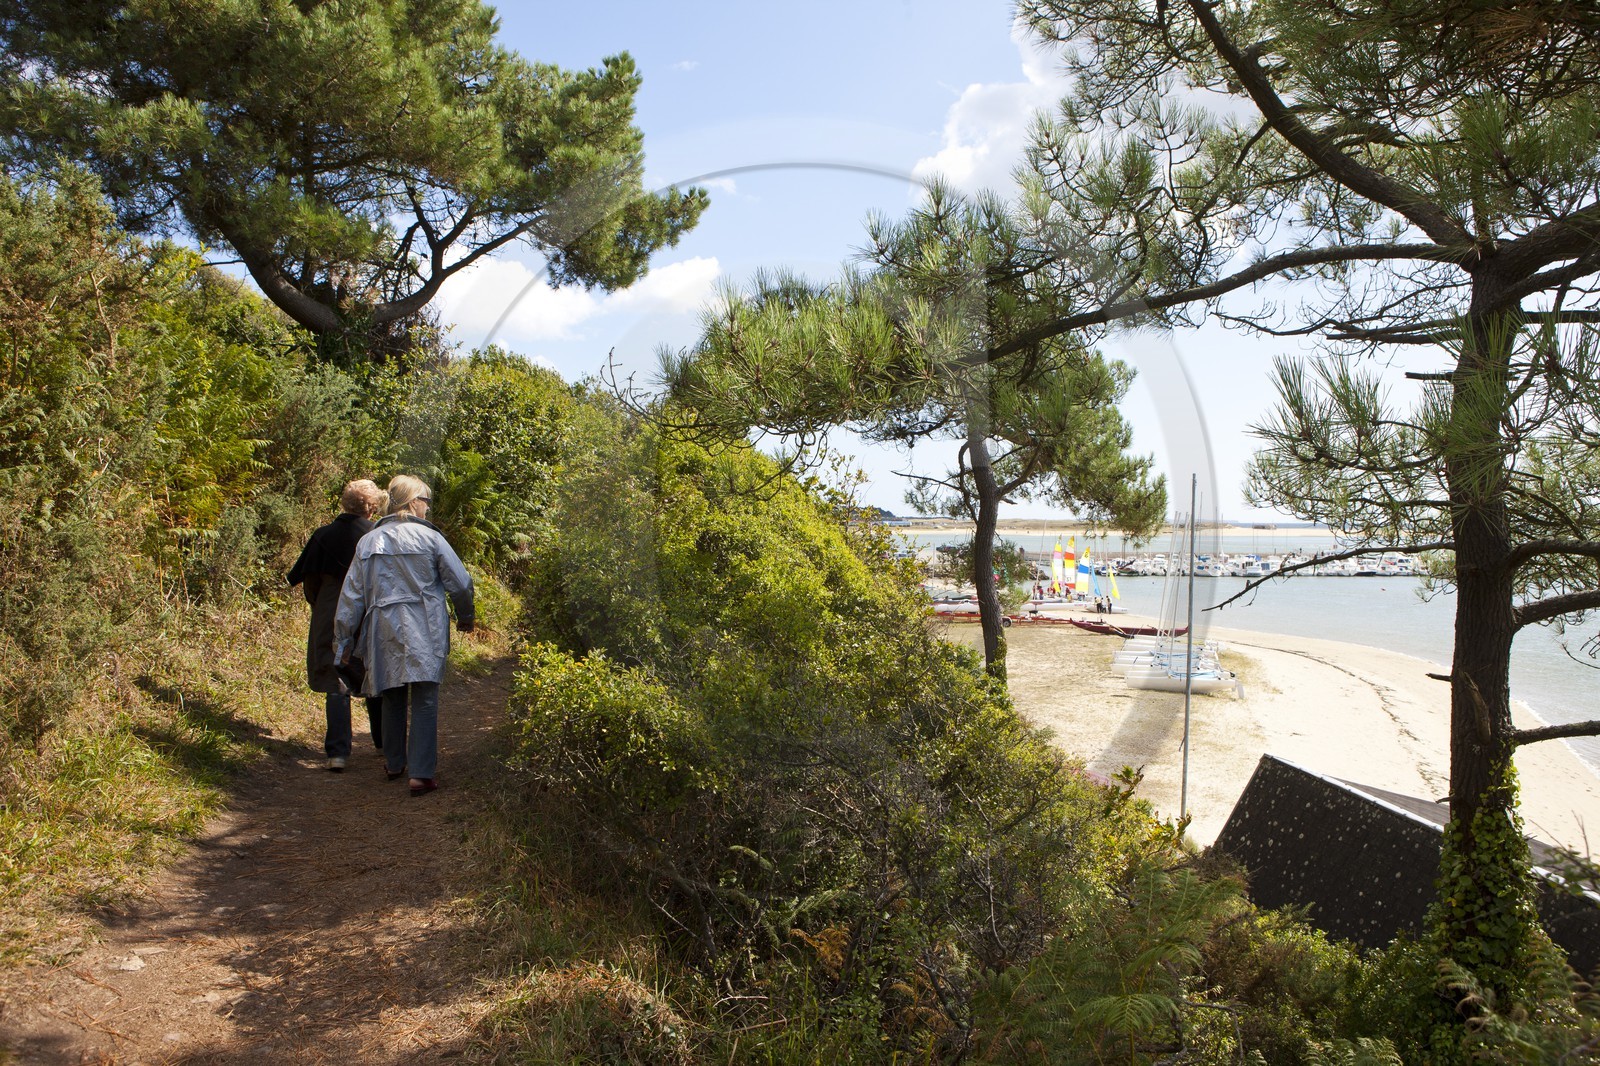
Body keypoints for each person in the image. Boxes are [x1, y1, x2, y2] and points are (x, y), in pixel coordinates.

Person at [334, 475, 474, 797]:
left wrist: (342, 641)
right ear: (413, 502)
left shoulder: (368, 541)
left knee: (391, 692)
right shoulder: (431, 539)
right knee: (424, 697)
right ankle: (421, 774)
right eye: (425, 499)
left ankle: (395, 763)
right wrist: (466, 617)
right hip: (425, 624)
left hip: (382, 626)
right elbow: (461, 582)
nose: (427, 506)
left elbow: (351, 596)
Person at [287, 479, 387, 771]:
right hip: (368, 610)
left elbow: (309, 582)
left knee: (336, 680)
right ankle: (382, 744)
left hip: (330, 610)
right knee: (373, 674)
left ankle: (338, 754)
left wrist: (323, 605)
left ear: (345, 503)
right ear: (372, 507)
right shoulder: (378, 535)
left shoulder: (323, 535)